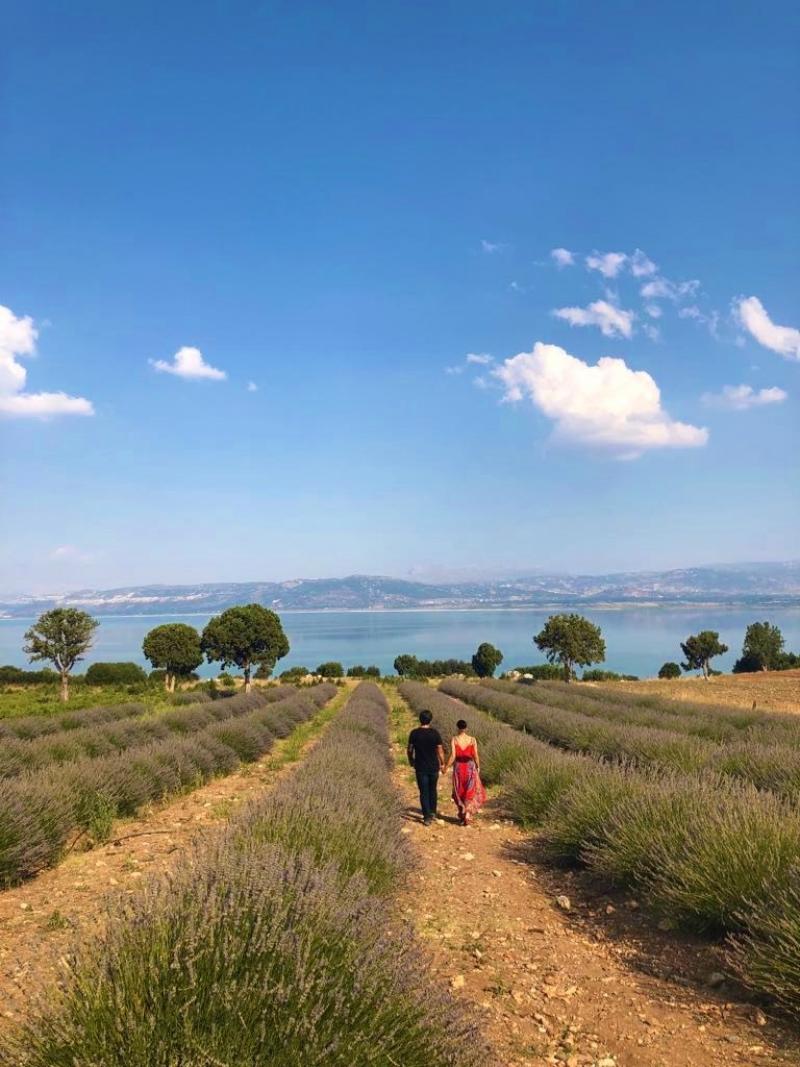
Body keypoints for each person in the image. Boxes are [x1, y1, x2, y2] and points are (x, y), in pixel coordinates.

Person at [407, 710, 445, 825]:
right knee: (432, 789)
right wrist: (442, 763)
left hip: (420, 767)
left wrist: (411, 760)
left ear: (420, 719)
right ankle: (433, 812)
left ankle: (427, 817)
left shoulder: (414, 733)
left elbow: (409, 750)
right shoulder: (435, 733)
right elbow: (440, 750)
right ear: (430, 720)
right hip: (434, 767)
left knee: (423, 791)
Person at [445, 719, 486, 825]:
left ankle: (463, 813)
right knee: (470, 789)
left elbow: (453, 756)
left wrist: (446, 766)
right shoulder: (472, 740)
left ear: (457, 728)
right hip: (469, 767)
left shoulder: (454, 739)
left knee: (459, 789)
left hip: (458, 768)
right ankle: (467, 814)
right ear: (466, 728)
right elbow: (475, 755)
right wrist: (478, 766)